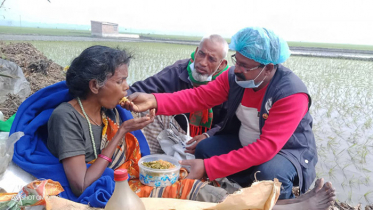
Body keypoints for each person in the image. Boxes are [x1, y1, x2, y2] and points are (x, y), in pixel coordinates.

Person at [124, 27, 319, 200]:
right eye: (237, 61)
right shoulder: (234, 78)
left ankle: (283, 203)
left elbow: (267, 147)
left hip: (285, 151)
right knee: (205, 150)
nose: (237, 69)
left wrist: (209, 168)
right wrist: (155, 101)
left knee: (270, 174)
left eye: (245, 66)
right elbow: (198, 97)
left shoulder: (290, 94)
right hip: (245, 140)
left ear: (267, 68)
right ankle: (240, 192)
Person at [127, 34, 229, 155]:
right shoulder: (177, 71)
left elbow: (229, 123)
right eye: (201, 54)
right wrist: (121, 97)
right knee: (142, 109)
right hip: (177, 132)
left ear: (222, 64)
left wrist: (208, 135)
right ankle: (149, 157)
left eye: (211, 59)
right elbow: (142, 89)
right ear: (196, 51)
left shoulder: (228, 83)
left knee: (208, 147)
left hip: (209, 137)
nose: (203, 62)